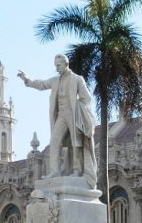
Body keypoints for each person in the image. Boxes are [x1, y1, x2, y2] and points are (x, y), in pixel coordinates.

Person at [18, 54, 97, 188]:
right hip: (61, 114)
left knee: (75, 143)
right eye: (55, 66)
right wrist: (27, 80)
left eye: (59, 65)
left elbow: (87, 98)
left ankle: (77, 170)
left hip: (73, 114)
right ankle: (54, 171)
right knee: (54, 140)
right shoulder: (55, 80)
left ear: (66, 64)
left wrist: (79, 108)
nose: (57, 68)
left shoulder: (77, 79)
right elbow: (42, 84)